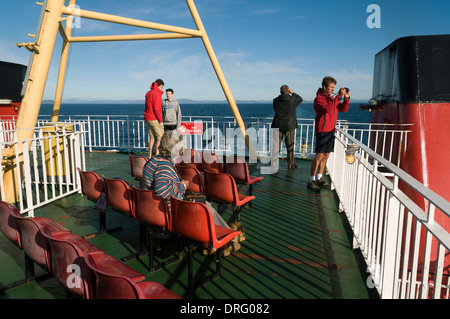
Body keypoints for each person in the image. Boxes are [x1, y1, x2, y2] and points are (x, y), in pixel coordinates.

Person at [141, 130, 240, 256]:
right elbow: (161, 190)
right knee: (205, 208)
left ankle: (219, 236)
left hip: (150, 209)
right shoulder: (164, 165)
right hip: (165, 213)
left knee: (205, 205)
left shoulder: (153, 160)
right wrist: (182, 185)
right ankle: (224, 239)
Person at [308, 76, 350, 191]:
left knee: (326, 156)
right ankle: (311, 180)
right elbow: (327, 109)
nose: (333, 89)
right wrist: (338, 97)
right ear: (324, 87)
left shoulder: (332, 99)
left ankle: (319, 177)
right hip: (322, 130)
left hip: (331, 130)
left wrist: (346, 98)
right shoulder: (319, 99)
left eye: (334, 87)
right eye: (331, 87)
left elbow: (343, 109)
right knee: (319, 156)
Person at [271, 84, 303, 169]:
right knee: (290, 146)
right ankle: (290, 164)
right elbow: (300, 99)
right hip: (289, 125)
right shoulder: (292, 100)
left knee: (276, 146)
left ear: (280, 91)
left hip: (277, 125)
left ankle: (273, 164)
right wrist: (293, 93)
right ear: (288, 91)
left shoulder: (275, 100)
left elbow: (275, 109)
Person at [144, 79, 165, 158]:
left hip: (147, 118)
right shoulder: (157, 93)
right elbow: (157, 108)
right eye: (162, 87)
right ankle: (157, 156)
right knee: (160, 137)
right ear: (160, 86)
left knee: (152, 137)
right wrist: (160, 120)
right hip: (154, 118)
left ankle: (150, 156)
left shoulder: (148, 93)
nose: (162, 89)